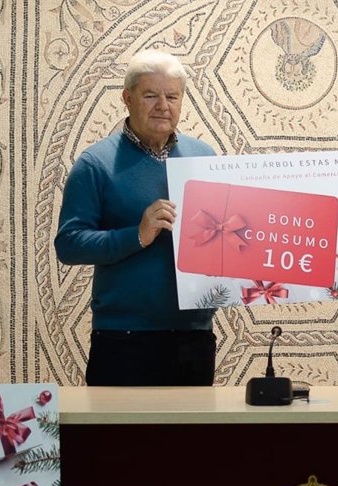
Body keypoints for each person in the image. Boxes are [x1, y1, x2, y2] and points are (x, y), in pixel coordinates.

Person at [55, 50, 217, 386]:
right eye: (150, 95)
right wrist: (137, 235)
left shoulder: (204, 157)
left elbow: (227, 235)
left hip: (194, 337)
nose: (163, 106)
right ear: (127, 98)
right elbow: (68, 244)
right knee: (116, 425)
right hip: (122, 339)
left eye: (172, 96)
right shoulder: (95, 163)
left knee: (195, 425)